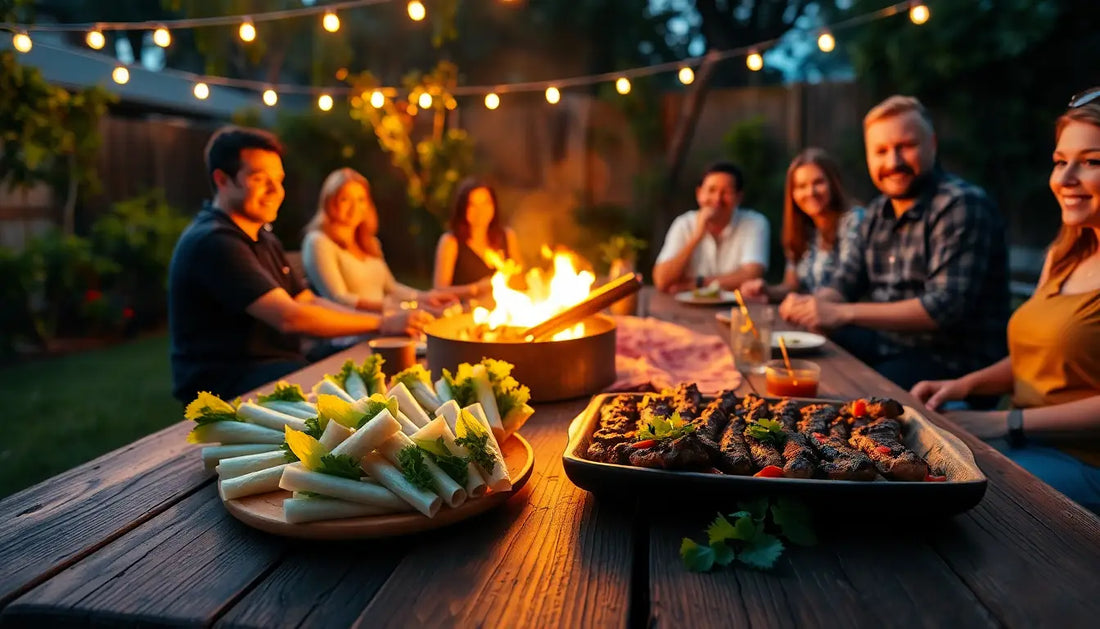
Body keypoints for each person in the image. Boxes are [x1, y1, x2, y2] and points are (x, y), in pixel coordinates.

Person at [911, 91, 1100, 513]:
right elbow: (1039, 359)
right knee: (910, 431)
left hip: (1083, 462)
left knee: (949, 490)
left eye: (1092, 162)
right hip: (1026, 438)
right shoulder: (1066, 253)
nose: (1065, 178)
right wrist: (964, 386)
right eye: (1059, 160)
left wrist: (1003, 422)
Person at [168, 126, 431, 403]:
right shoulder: (214, 241)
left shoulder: (263, 237)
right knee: (368, 398)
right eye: (259, 179)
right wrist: (384, 322)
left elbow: (307, 300)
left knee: (385, 379)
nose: (275, 190)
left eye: (278, 179)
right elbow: (291, 317)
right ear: (222, 180)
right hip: (228, 385)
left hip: (278, 367)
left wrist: (386, 322)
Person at [779, 95, 1010, 393]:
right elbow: (844, 281)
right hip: (887, 343)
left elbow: (943, 309)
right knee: (793, 361)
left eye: (906, 147)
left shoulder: (960, 205)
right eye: (881, 151)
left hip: (954, 362)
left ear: (933, 145)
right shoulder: (877, 212)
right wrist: (814, 306)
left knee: (847, 395)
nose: (893, 162)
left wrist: (841, 313)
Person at [302, 167, 458, 313]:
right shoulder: (318, 242)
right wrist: (398, 309)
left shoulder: (370, 243)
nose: (355, 207)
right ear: (330, 202)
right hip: (348, 334)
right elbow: (338, 298)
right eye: (345, 199)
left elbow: (391, 288)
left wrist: (426, 297)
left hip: (383, 324)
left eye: (361, 199)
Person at [740, 148, 864, 302]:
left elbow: (845, 284)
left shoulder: (854, 220)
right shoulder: (803, 228)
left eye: (818, 182)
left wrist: (805, 303)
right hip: (809, 319)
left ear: (833, 183)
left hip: (847, 320)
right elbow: (791, 286)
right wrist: (766, 289)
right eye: (801, 186)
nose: (810, 192)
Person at [652, 161, 769, 293]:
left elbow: (752, 274)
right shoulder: (683, 224)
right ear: (699, 194)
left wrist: (696, 283)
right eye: (711, 190)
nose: (717, 199)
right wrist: (696, 237)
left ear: (739, 197)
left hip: (736, 307)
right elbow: (662, 280)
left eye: (726, 192)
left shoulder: (755, 223)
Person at [433, 178, 523, 298]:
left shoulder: (507, 236)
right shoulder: (450, 242)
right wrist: (476, 289)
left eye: (486, 203)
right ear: (463, 208)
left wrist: (510, 277)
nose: (480, 211)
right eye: (472, 205)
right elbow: (439, 290)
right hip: (466, 311)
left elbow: (520, 281)